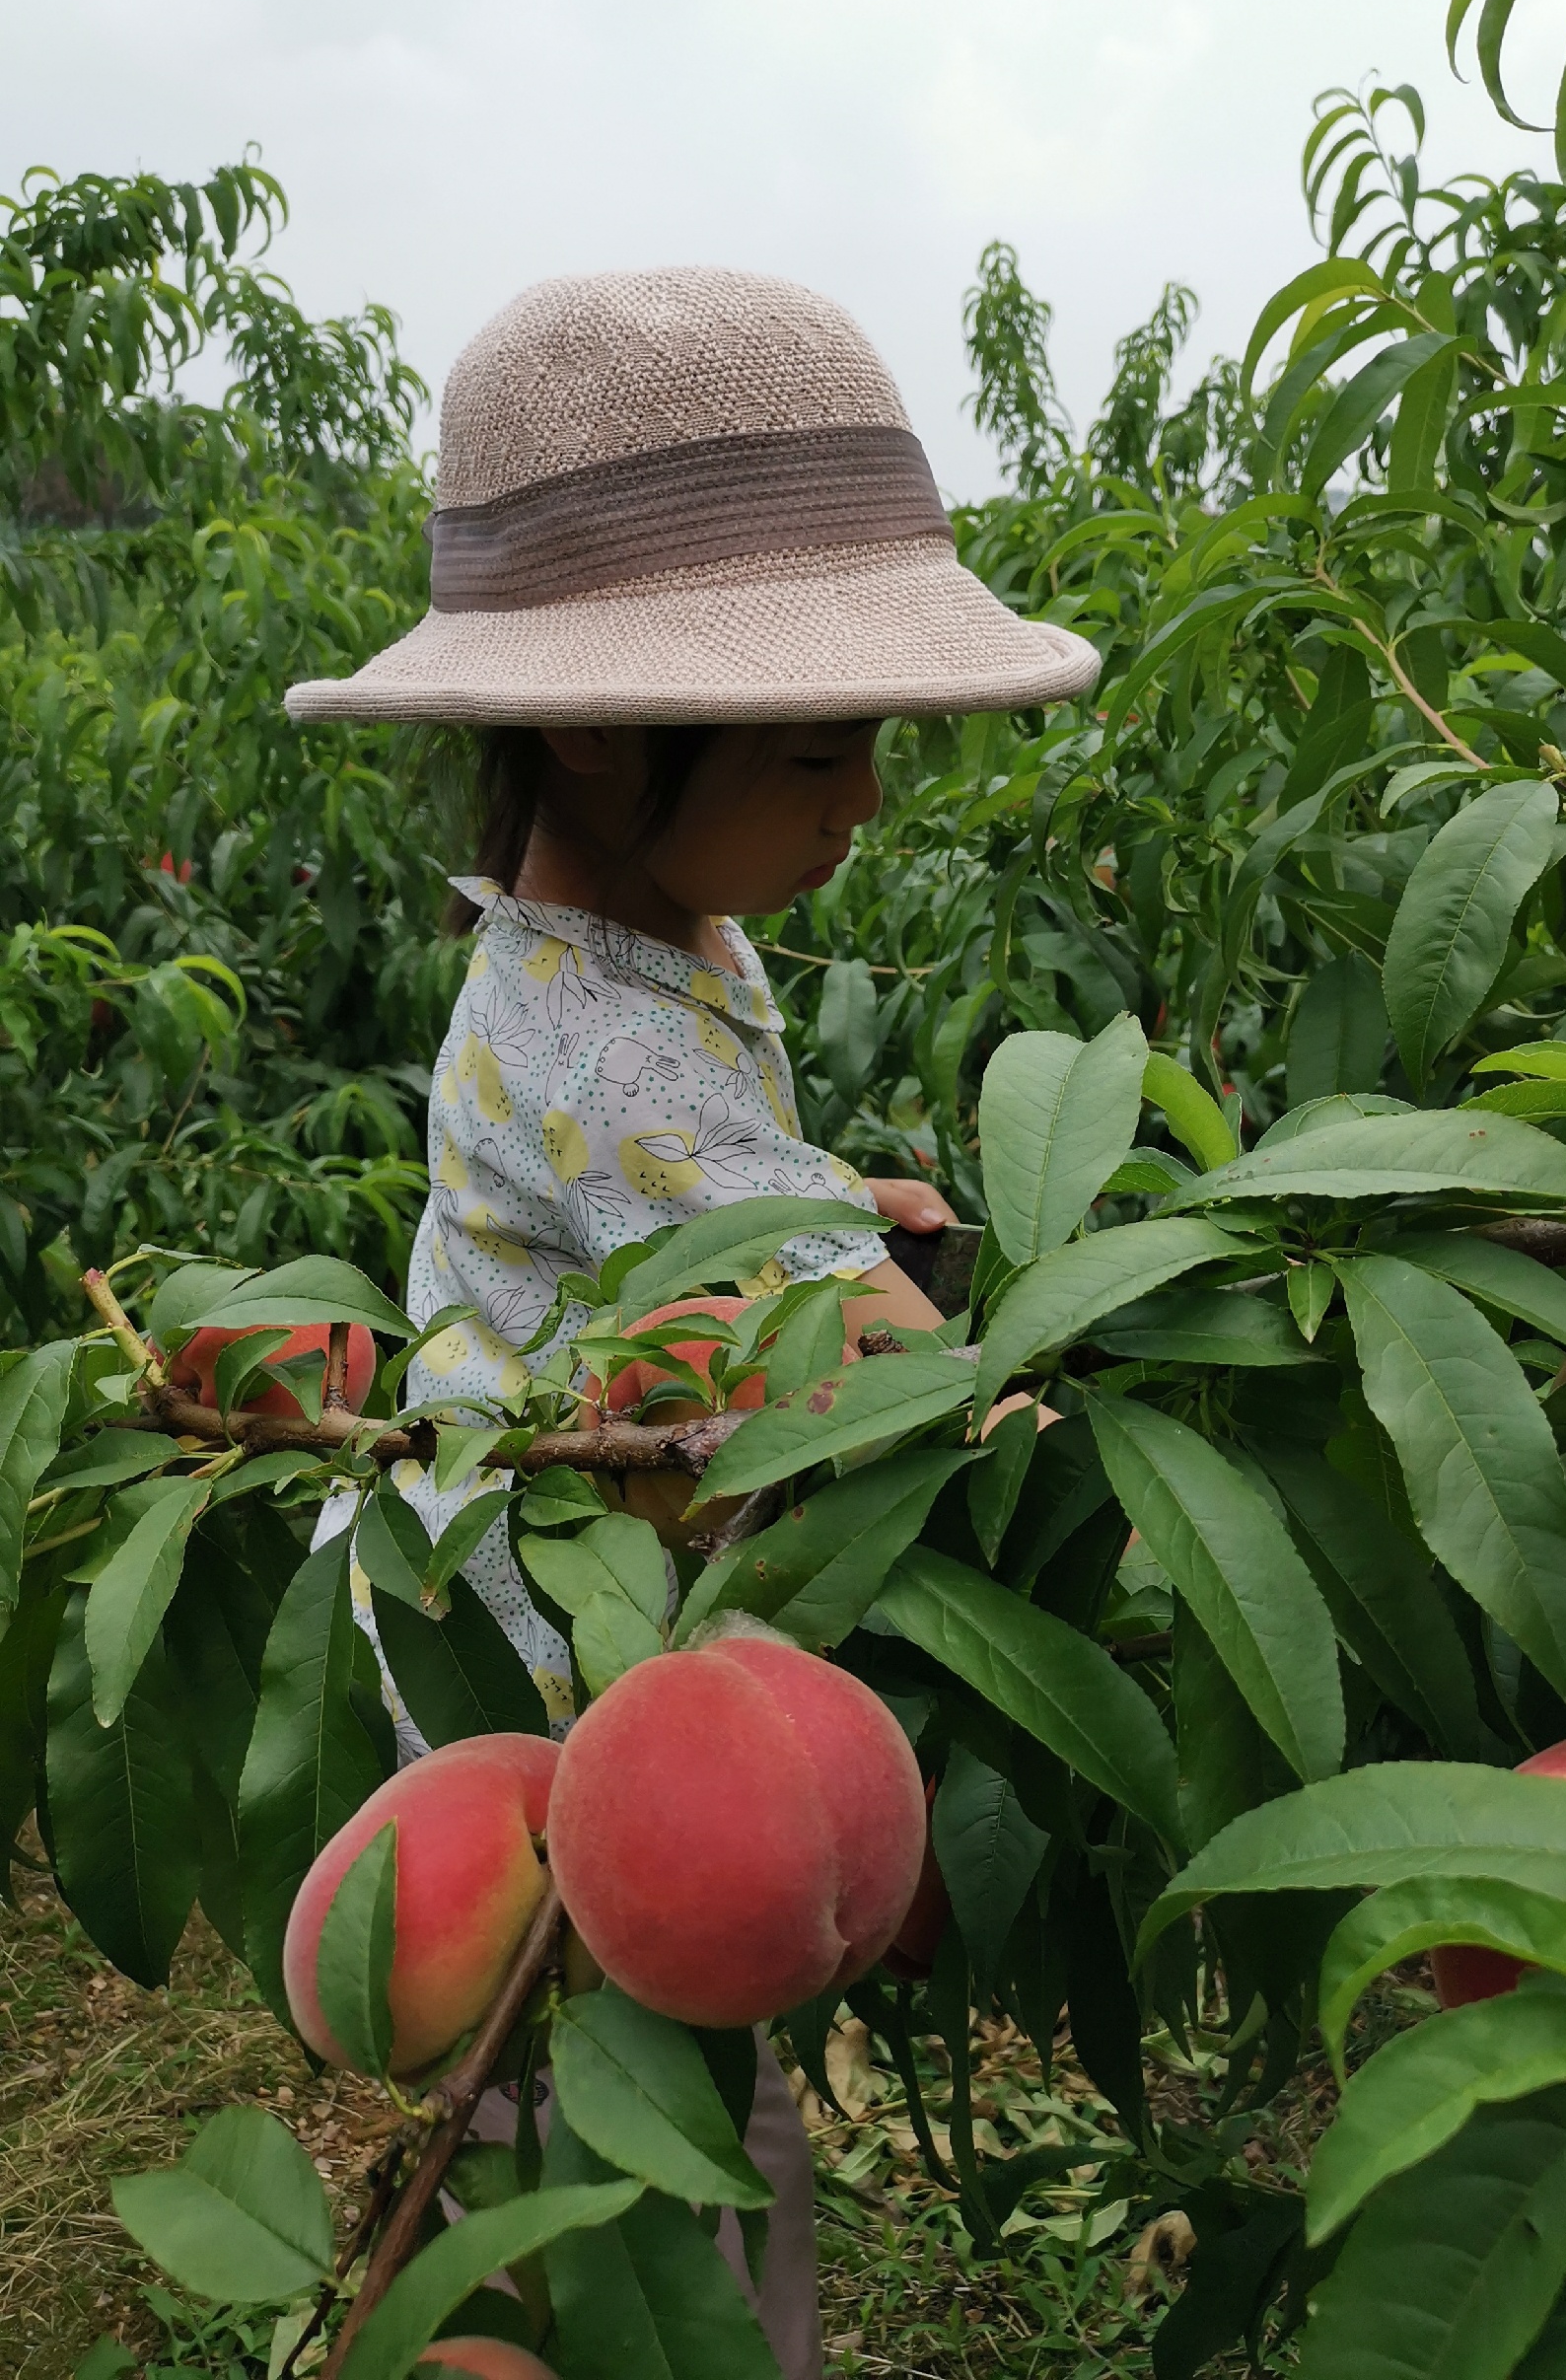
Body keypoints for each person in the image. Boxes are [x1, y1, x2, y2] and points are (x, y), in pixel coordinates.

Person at [284, 266, 1099, 2379]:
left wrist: (838, 1191)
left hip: (602, 1598)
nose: (867, 799)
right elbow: (830, 1343)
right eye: (821, 745)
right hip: (563, 1671)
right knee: (637, 2114)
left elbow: (722, 1208)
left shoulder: (656, 943)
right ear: (591, 726)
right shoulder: (598, 1045)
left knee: (625, 2094)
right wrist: (994, 1378)